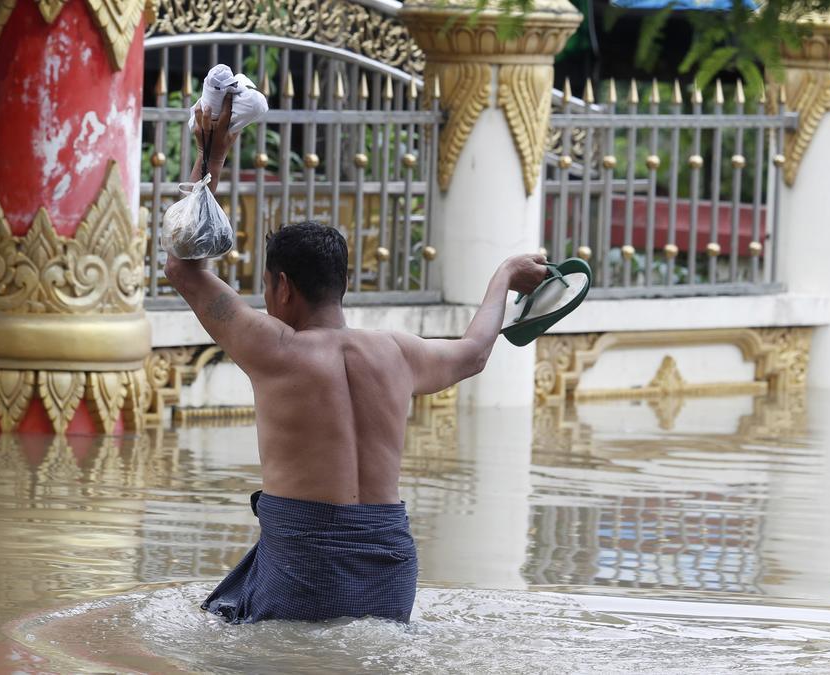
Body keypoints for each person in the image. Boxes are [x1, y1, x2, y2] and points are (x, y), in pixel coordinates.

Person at [163, 93, 550, 624]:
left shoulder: (274, 349)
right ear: (343, 284)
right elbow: (475, 353)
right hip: (390, 563)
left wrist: (214, 150)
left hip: (306, 565)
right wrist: (504, 275)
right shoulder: (396, 351)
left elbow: (184, 268)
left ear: (281, 287)